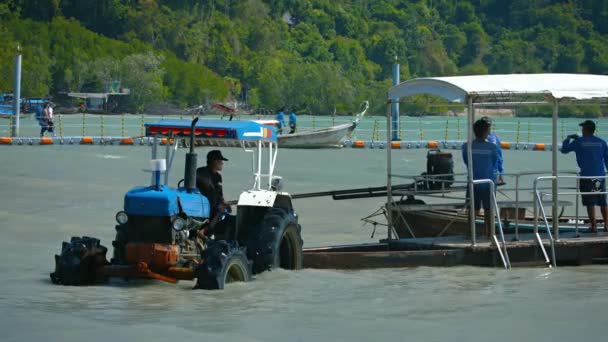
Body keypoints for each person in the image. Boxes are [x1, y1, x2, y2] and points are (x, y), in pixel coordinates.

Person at [561, 120, 608, 233]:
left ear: (586, 129)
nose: (582, 130)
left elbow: (564, 149)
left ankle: (593, 226)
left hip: (587, 176)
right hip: (600, 176)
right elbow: (607, 159)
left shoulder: (579, 142)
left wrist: (568, 138)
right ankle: (607, 226)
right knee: (603, 202)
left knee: (589, 202)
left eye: (583, 128)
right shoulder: (602, 142)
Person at [462, 119, 499, 237]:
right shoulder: (492, 147)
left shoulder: (467, 146)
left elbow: (466, 161)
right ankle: (489, 233)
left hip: (473, 181)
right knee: (489, 209)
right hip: (488, 182)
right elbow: (494, 162)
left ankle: (470, 233)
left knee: (472, 209)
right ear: (486, 131)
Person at [196, 150, 233, 236]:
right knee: (220, 209)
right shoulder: (201, 172)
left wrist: (226, 203)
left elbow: (220, 194)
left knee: (225, 210)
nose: (222, 163)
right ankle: (204, 231)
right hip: (203, 204)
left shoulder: (218, 177)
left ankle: (212, 233)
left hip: (214, 205)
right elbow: (207, 189)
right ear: (215, 161)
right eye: (221, 161)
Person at [480, 116, 504, 184]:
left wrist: (501, 173)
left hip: (491, 172)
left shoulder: (495, 138)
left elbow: (499, 157)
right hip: (484, 172)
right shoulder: (475, 139)